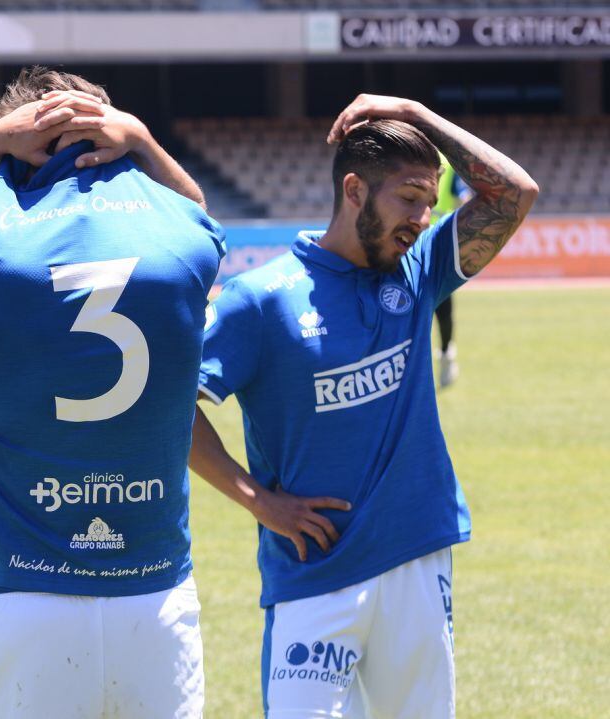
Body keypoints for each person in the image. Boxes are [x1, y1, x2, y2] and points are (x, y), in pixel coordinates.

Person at [190, 94, 537, 718]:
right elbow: (170, 406)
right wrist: (258, 501)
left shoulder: (418, 273)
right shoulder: (260, 300)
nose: (423, 218)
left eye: (430, 202)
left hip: (416, 559)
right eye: (409, 197)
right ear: (355, 190)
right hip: (312, 572)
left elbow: (515, 194)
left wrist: (417, 113)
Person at [0, 67, 226, 718]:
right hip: (153, 594)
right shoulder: (185, 244)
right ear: (112, 136)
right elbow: (199, 214)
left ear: (19, 144)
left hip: (21, 593)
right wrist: (144, 141)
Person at [432, 153, 472, 387]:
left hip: (437, 249)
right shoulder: (402, 154)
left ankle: (447, 353)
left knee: (443, 311)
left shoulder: (447, 164)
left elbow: (464, 197)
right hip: (404, 246)